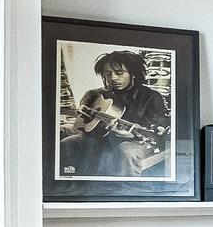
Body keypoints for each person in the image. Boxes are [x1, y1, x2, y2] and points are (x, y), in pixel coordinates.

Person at [59, 49, 171, 178]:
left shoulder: (151, 97)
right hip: (100, 136)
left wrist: (129, 134)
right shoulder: (100, 94)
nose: (113, 78)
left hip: (137, 139)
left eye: (119, 73)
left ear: (133, 73)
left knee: (126, 153)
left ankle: (126, 191)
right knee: (66, 143)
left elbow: (158, 127)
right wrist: (85, 108)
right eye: (108, 74)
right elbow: (84, 112)